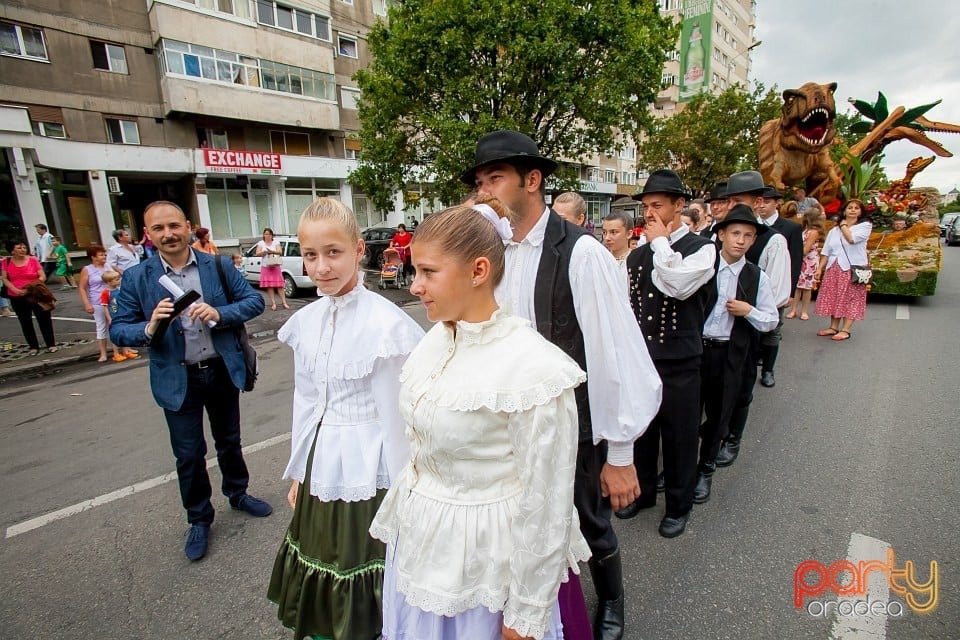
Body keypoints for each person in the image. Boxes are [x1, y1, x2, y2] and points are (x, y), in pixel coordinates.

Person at [464, 130, 661, 639]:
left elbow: (615, 355)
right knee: (522, 525)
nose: (485, 190)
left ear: (533, 181)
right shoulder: (488, 254)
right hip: (504, 422)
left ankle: (612, 598)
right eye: (481, 180)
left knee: (588, 520)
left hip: (568, 419)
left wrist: (620, 454)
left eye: (496, 178)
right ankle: (536, 606)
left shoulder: (581, 253)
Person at [370, 199, 590, 640]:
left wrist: (524, 616)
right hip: (423, 554)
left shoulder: (532, 368)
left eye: (429, 272)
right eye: (416, 271)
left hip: (487, 573)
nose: (415, 286)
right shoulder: (433, 341)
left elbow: (547, 505)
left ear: (478, 270)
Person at [268, 198, 424, 640]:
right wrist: (300, 469)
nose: (321, 267)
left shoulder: (385, 325)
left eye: (333, 252)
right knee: (322, 556)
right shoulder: (306, 320)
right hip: (323, 461)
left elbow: (399, 418)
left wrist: (406, 490)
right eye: (310, 255)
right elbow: (308, 401)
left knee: (368, 562)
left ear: (359, 250)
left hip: (372, 467)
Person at [110, 200, 271, 561]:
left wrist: (219, 312)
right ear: (147, 236)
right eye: (158, 229)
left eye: (173, 226)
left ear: (187, 225)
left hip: (220, 370)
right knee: (188, 454)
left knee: (229, 440)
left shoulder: (216, 265)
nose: (168, 234)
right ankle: (199, 519)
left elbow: (253, 302)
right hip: (176, 378)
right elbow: (119, 329)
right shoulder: (138, 277)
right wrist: (149, 327)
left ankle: (238, 493)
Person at [617, 169, 717, 539]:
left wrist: (661, 243)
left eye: (658, 205)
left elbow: (676, 285)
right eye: (646, 207)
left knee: (679, 437)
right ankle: (641, 494)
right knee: (643, 432)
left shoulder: (703, 248)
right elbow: (629, 307)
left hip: (681, 362)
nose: (650, 213)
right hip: (645, 359)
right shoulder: (638, 255)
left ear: (679, 206)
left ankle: (679, 505)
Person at [695, 205, 779, 504]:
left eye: (748, 235)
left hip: (729, 353)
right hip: (695, 352)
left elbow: (771, 320)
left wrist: (749, 311)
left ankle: (704, 470)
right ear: (720, 235)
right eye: (735, 233)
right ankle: (681, 469)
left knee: (719, 416)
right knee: (688, 416)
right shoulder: (702, 268)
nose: (740, 240)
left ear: (754, 240)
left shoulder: (758, 277)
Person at [712, 171, 791, 468]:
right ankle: (712, 439)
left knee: (741, 390)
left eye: (738, 200)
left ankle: (733, 438)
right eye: (729, 200)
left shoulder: (773, 241)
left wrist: (750, 308)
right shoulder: (716, 232)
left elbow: (779, 294)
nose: (731, 206)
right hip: (713, 335)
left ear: (758, 202)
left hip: (746, 330)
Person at [755, 185, 803, 388]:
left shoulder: (790, 228)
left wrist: (790, 292)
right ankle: (755, 358)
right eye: (761, 201)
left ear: (777, 203)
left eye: (768, 201)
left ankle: (768, 369)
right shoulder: (751, 226)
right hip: (755, 286)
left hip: (777, 285)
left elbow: (795, 261)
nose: (764, 205)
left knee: (773, 329)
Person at [814, 199, 872, 341]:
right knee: (834, 296)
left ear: (860, 212)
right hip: (834, 266)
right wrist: (820, 268)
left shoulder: (865, 226)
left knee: (851, 298)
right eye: (849, 208)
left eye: (856, 208)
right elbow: (826, 251)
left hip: (852, 268)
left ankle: (846, 329)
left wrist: (844, 225)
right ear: (844, 211)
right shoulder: (834, 230)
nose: (852, 210)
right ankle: (833, 326)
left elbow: (851, 239)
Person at [1, 239, 58, 355]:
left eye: (24, 247)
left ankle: (51, 344)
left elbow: (42, 276)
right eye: (19, 248)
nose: (23, 250)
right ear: (12, 250)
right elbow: (4, 278)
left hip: (35, 294)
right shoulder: (6, 262)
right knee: (25, 321)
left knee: (44, 320)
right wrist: (15, 289)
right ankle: (33, 347)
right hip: (16, 296)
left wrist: (29, 288)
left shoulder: (32, 260)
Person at [786, 209, 825, 320]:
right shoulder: (805, 230)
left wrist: (793, 252)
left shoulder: (814, 232)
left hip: (809, 261)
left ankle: (804, 311)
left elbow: (806, 249)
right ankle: (794, 309)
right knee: (798, 286)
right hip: (801, 260)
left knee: (806, 287)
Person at [79, 245, 115, 363]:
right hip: (97, 301)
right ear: (93, 257)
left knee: (115, 323)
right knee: (101, 326)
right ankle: (103, 353)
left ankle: (123, 349)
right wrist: (86, 303)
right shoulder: (87, 269)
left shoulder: (108, 266)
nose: (104, 256)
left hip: (111, 299)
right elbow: (82, 287)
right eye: (101, 254)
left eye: (104, 254)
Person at [99, 270, 138, 362]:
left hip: (122, 314)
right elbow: (104, 306)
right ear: (109, 282)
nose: (119, 280)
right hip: (113, 315)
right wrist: (109, 318)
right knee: (115, 334)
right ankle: (116, 353)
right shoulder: (105, 293)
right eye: (116, 279)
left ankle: (125, 351)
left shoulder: (119, 290)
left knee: (123, 332)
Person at [256, 228, 288, 311]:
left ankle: (284, 302)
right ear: (263, 235)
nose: (267, 236)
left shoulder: (275, 242)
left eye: (269, 234)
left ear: (271, 235)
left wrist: (272, 251)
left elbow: (280, 251)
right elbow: (257, 253)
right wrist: (264, 252)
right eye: (265, 234)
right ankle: (273, 303)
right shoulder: (261, 243)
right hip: (265, 266)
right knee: (269, 286)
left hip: (275, 265)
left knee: (279, 285)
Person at [601, 211, 634, 282]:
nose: (607, 238)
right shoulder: (601, 260)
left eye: (613, 232)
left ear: (629, 234)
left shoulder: (635, 261)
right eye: (604, 232)